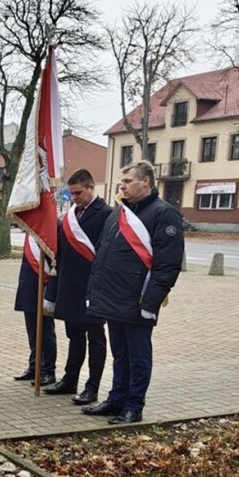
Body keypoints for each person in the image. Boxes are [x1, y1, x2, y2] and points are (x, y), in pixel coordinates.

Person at [83, 160, 184, 424]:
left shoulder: (164, 214)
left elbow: (167, 265)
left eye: (128, 181)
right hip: (113, 299)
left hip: (138, 301)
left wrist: (150, 303)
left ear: (146, 181)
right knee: (120, 355)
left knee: (138, 357)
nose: (122, 186)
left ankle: (134, 406)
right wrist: (94, 293)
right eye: (122, 181)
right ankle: (117, 399)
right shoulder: (119, 214)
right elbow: (102, 257)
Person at [43, 169, 111, 404]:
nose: (74, 198)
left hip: (93, 288)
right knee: (74, 337)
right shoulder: (71, 215)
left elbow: (105, 253)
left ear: (91, 188)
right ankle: (70, 379)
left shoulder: (107, 214)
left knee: (96, 339)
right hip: (71, 287)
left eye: (78, 193)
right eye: (71, 193)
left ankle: (92, 387)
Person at [13, 233, 57, 387]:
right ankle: (34, 366)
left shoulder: (48, 229)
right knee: (32, 331)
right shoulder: (30, 231)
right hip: (29, 286)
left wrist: (51, 290)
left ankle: (48, 370)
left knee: (45, 331)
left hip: (43, 287)